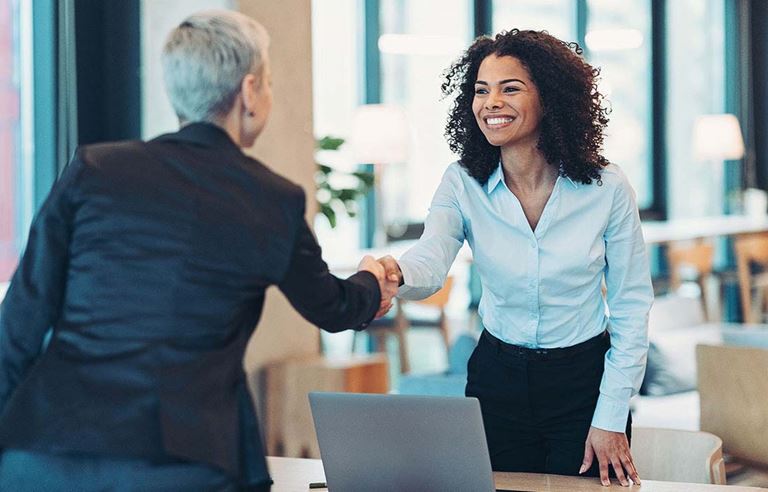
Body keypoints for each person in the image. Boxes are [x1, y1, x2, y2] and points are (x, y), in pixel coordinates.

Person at [0, 10, 397, 491]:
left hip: (44, 454)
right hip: (178, 463)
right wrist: (372, 280)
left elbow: (20, 322)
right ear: (249, 92)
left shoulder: (93, 169)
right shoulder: (272, 199)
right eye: (268, 82)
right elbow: (331, 307)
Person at [378, 29, 653, 487]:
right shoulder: (462, 182)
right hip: (497, 380)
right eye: (481, 90)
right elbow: (431, 256)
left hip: (582, 382)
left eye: (511, 88)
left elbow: (631, 306)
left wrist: (610, 414)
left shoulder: (607, 188)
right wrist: (395, 272)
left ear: (550, 98)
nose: (491, 103)